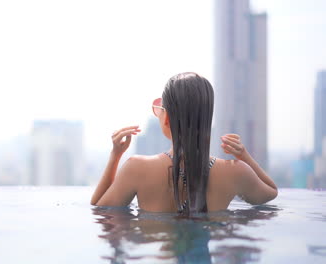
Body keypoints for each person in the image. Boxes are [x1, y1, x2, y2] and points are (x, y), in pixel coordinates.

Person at [90, 72, 278, 214]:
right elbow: (271, 192)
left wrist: (115, 155)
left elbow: (99, 209)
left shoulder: (136, 168)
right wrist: (243, 156)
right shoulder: (236, 171)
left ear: (167, 119)